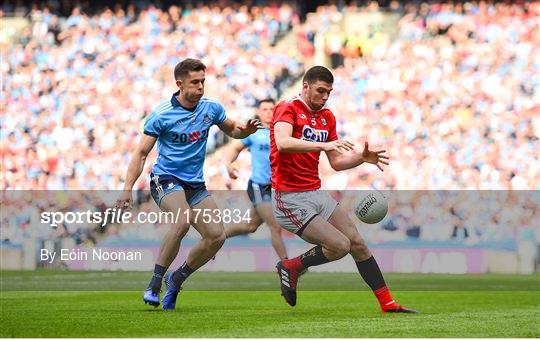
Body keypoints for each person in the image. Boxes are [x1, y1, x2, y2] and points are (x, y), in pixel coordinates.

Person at [115, 58, 261, 310]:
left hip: (195, 184)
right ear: (179, 84)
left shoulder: (211, 109)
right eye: (195, 82)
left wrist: (244, 132)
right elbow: (140, 154)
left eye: (203, 81)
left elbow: (232, 130)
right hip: (165, 179)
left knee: (217, 236)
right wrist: (127, 189)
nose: (201, 87)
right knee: (181, 220)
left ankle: (178, 277)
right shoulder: (161, 115)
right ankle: (154, 283)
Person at [270, 65, 418, 313]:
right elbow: (283, 143)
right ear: (305, 86)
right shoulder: (287, 107)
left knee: (357, 242)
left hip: (315, 192)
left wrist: (361, 158)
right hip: (289, 198)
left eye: (329, 92)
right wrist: (323, 147)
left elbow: (337, 163)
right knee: (339, 245)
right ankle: (293, 266)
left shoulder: (327, 117)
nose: (325, 97)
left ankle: (388, 304)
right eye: (320, 90)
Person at [223, 99, 288, 260]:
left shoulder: (282, 133)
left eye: (272, 109)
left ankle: (216, 237)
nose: (268, 112)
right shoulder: (254, 133)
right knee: (275, 225)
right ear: (259, 112)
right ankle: (286, 265)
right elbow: (235, 148)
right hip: (259, 185)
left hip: (275, 188)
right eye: (265, 109)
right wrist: (229, 164)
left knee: (250, 226)